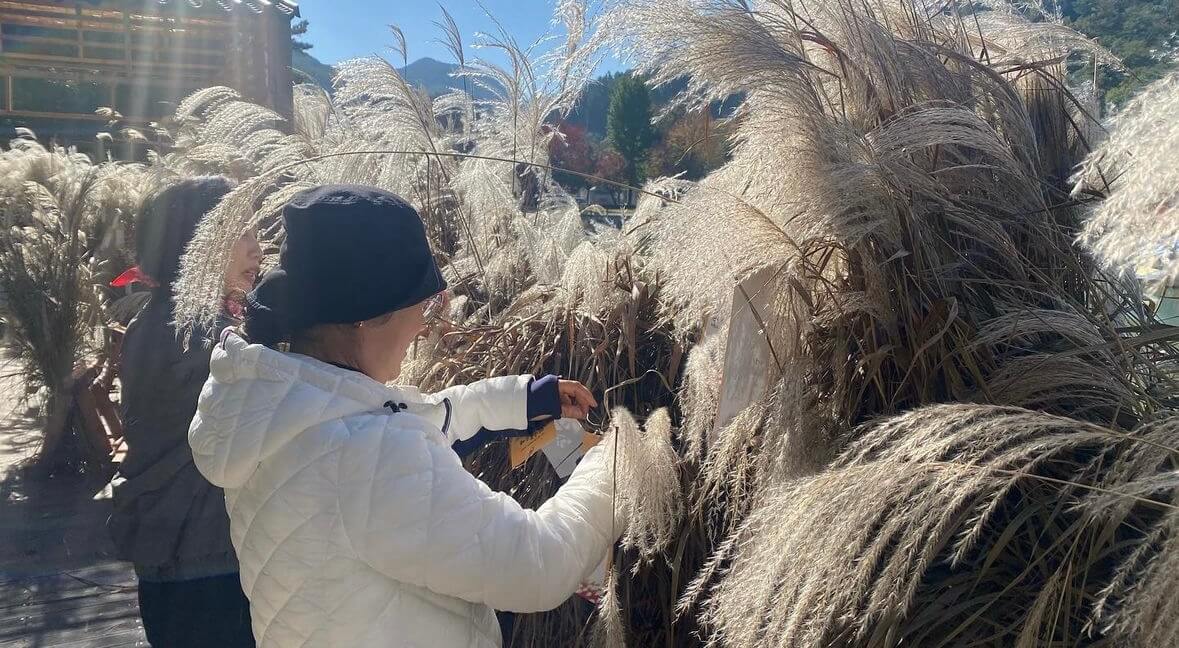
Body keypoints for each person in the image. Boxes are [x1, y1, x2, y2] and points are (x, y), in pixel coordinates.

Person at [188, 185, 621, 647]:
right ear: (367, 317)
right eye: (421, 306)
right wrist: (617, 463)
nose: (424, 325)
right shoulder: (369, 453)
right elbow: (540, 563)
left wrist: (527, 399)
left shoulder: (281, 410)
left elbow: (424, 419)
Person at [107, 176, 263, 647]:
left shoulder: (155, 319)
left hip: (168, 550)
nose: (259, 248)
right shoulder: (205, 336)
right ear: (198, 243)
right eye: (244, 233)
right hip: (205, 553)